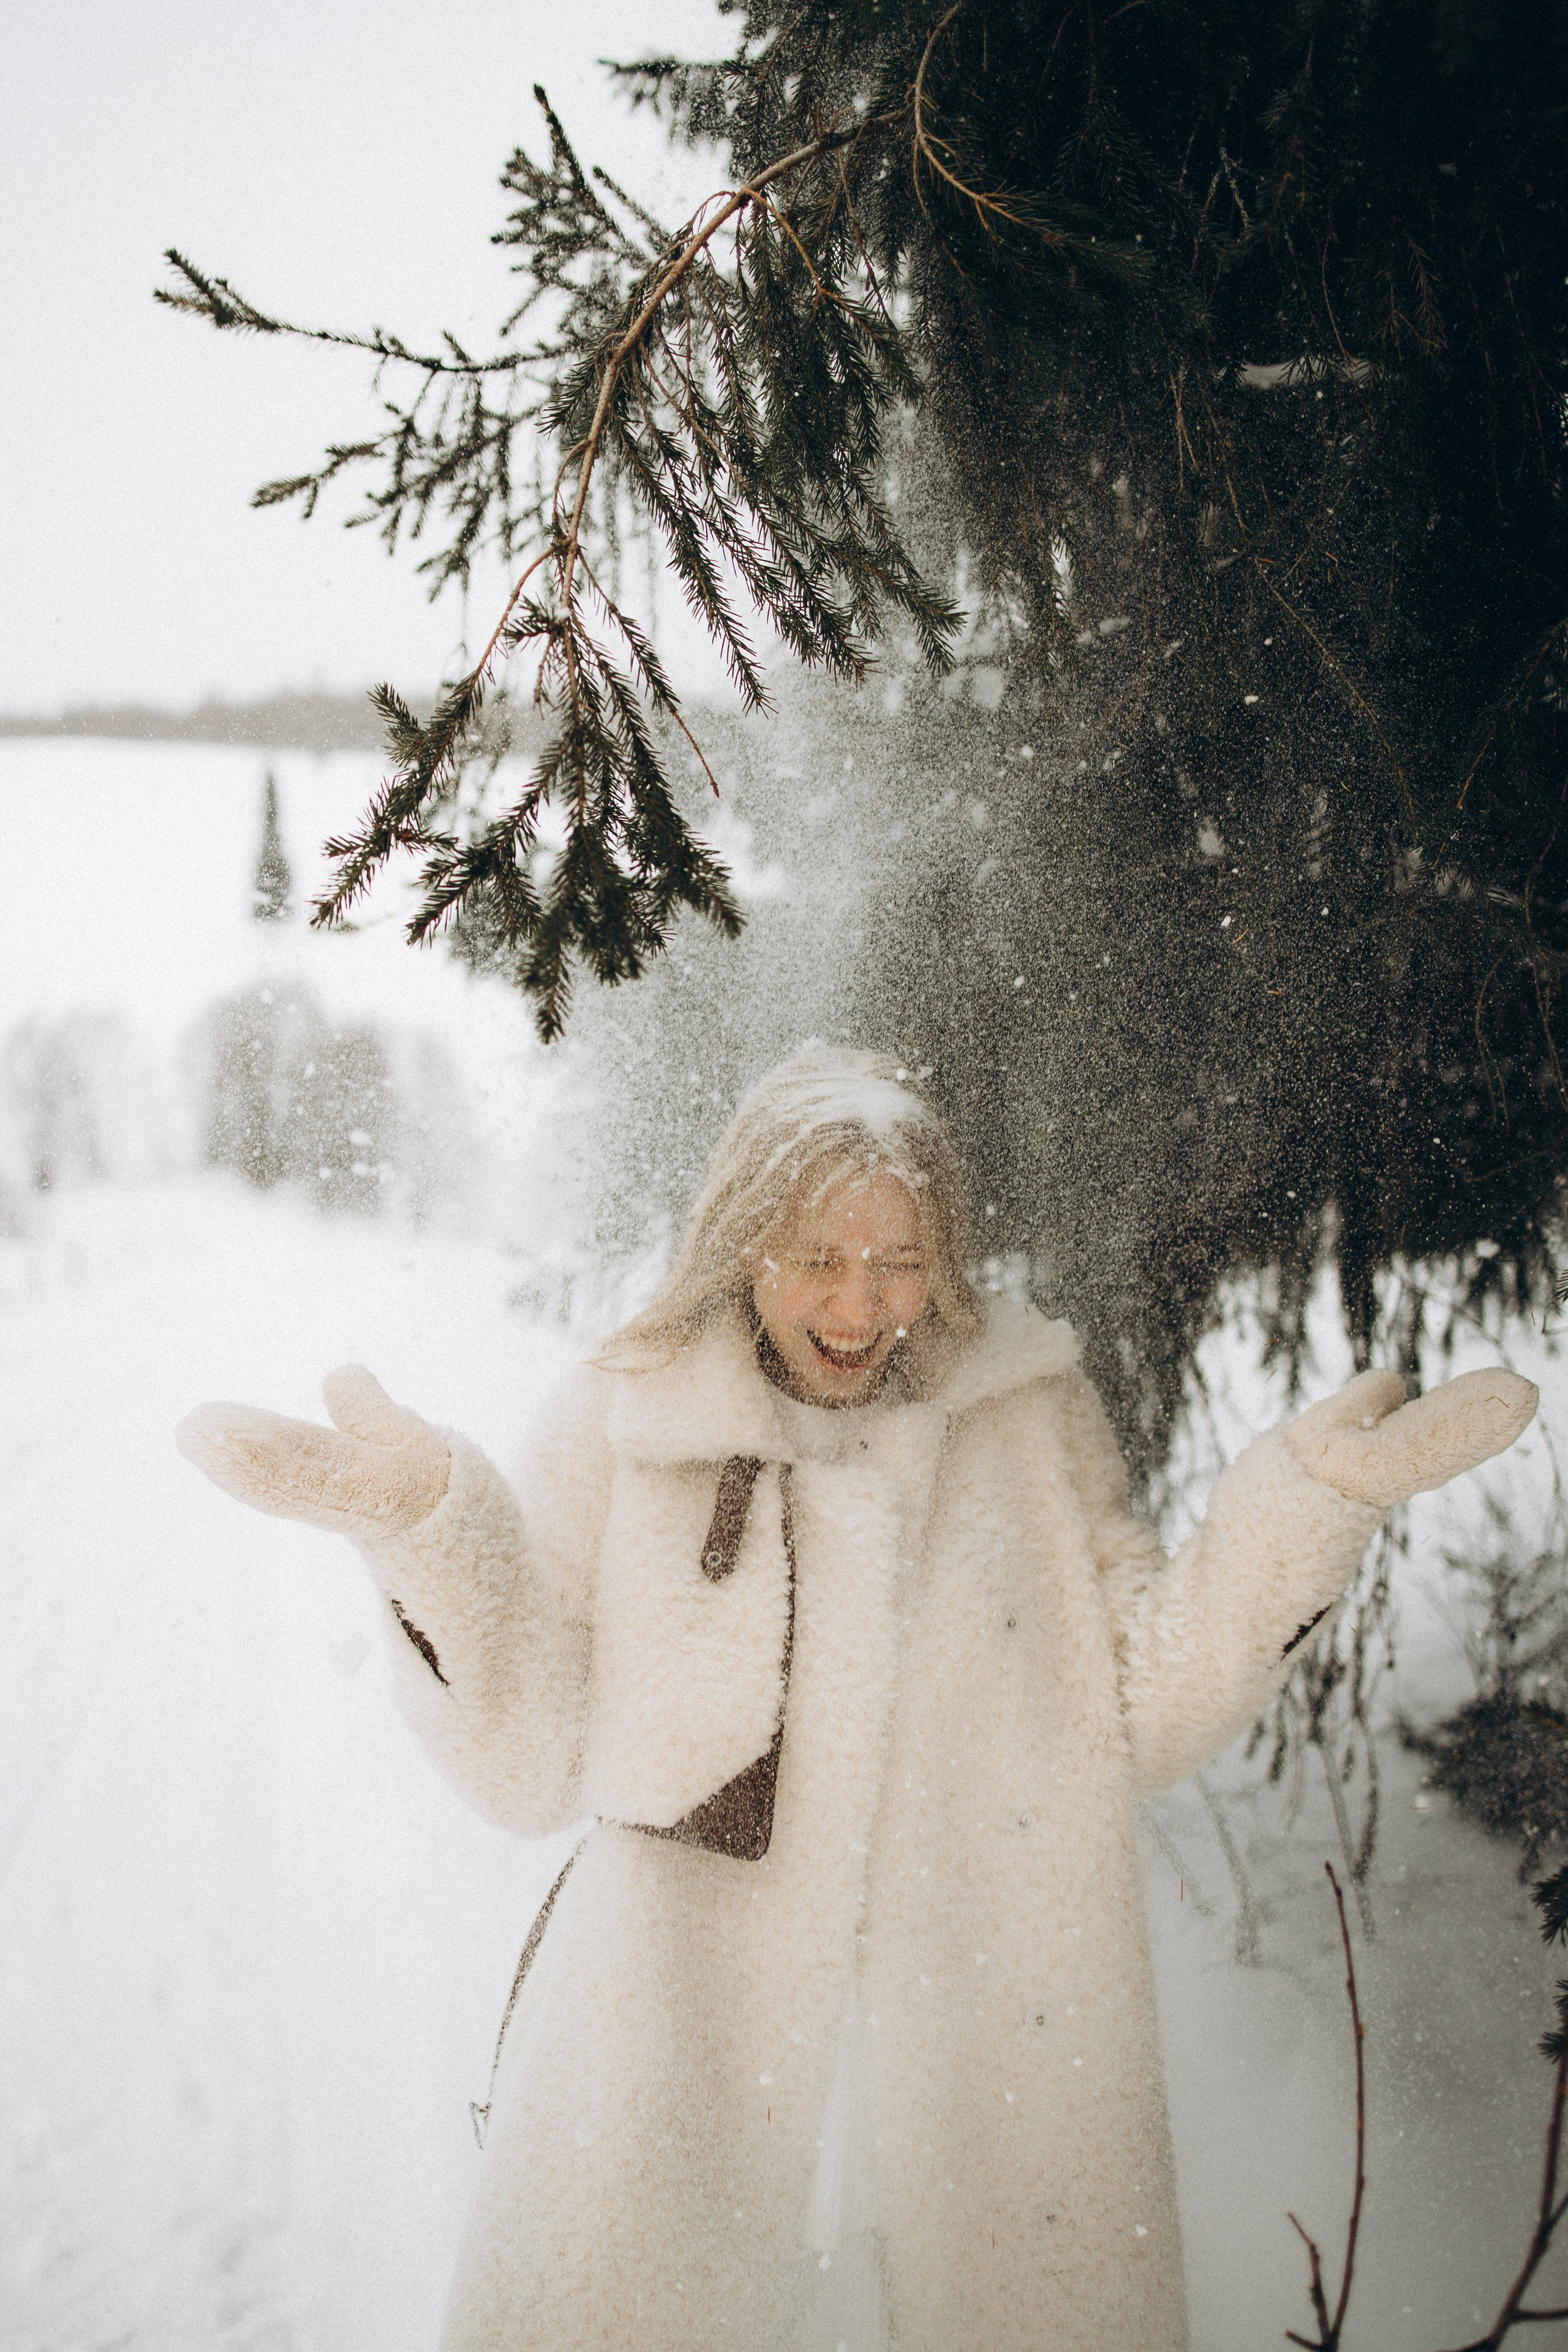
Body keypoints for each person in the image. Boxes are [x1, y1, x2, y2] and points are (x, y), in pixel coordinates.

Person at [176, 1049, 1537, 2352]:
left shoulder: (1025, 1416)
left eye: (898, 1261)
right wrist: (430, 1529)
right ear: (738, 1243)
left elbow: (1144, 1703)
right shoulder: (624, 1421)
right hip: (682, 2066)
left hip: (970, 2071)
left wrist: (1300, 1512)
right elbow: (528, 1761)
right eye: (817, 1257)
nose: (858, 1304)